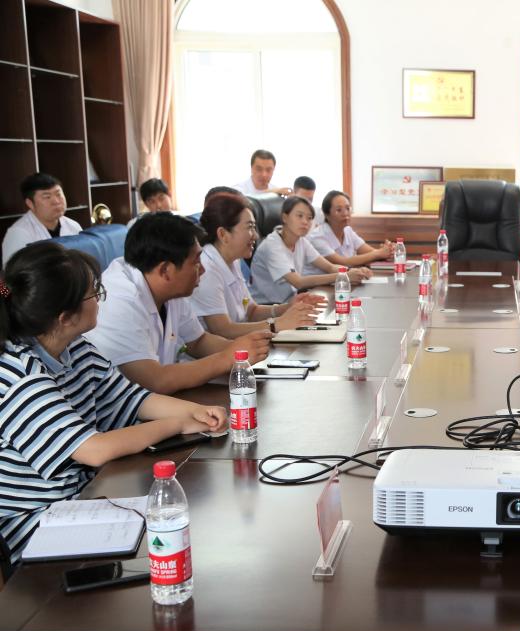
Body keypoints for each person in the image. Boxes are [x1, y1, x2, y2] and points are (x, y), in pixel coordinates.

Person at [0, 242, 227, 565]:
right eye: (94, 294)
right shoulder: (19, 375)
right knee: (166, 537)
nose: (99, 300)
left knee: (179, 526)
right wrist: (177, 423)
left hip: (85, 498)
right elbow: (95, 449)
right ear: (65, 317)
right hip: (36, 526)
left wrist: (197, 412)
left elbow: (134, 399)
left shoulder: (76, 349)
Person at [85, 212, 271, 394]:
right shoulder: (120, 300)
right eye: (196, 262)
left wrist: (243, 349)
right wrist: (227, 358)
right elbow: (155, 380)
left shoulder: (168, 286)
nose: (203, 270)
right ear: (166, 270)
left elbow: (198, 341)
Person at [190, 193, 322, 338]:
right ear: (223, 234)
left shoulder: (233, 260)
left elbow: (251, 311)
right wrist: (277, 324)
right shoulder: (207, 270)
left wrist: (288, 307)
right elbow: (223, 330)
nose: (256, 236)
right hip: (223, 349)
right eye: (250, 227)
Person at [250, 196, 367, 304]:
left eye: (309, 218)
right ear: (285, 217)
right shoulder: (272, 245)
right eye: (300, 216)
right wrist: (344, 276)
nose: (305, 222)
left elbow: (330, 267)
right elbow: (298, 282)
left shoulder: (301, 241)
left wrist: (355, 272)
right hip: (267, 307)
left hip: (290, 302)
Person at [2, 173, 83, 267]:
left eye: (58, 194)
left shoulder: (73, 226)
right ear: (30, 203)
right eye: (47, 197)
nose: (56, 201)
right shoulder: (19, 233)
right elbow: (13, 271)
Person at [304, 190, 389, 274]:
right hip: (318, 282)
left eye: (348, 208)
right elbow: (343, 262)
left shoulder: (348, 231)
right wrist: (379, 253)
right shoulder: (317, 237)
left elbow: (370, 251)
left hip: (342, 279)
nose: (345, 213)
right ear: (327, 215)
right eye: (339, 210)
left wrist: (387, 250)